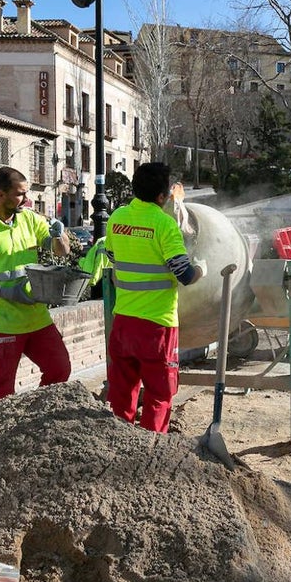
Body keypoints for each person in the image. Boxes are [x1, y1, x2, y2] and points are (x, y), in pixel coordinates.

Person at [0, 166, 72, 403]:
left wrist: (60, 236)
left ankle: (36, 416)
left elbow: (61, 252)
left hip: (37, 318)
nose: (27, 199)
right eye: (20, 194)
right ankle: (3, 436)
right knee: (2, 391)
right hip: (2, 323)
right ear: (0, 195)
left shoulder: (29, 219)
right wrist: (4, 291)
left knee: (60, 369)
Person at [105, 163, 205, 433]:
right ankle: (150, 451)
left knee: (121, 392)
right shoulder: (164, 224)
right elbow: (184, 274)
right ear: (162, 197)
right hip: (157, 326)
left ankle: (119, 443)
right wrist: (201, 270)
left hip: (123, 322)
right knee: (160, 394)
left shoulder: (117, 218)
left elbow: (113, 257)